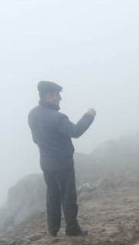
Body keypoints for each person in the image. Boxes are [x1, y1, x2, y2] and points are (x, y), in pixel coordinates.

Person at [28, 81, 96, 236]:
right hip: (62, 163)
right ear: (48, 96)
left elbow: (35, 139)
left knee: (52, 196)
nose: (59, 98)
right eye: (56, 95)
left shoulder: (33, 114)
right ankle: (72, 229)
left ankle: (53, 229)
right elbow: (75, 131)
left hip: (46, 162)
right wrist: (89, 116)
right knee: (68, 196)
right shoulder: (57, 117)